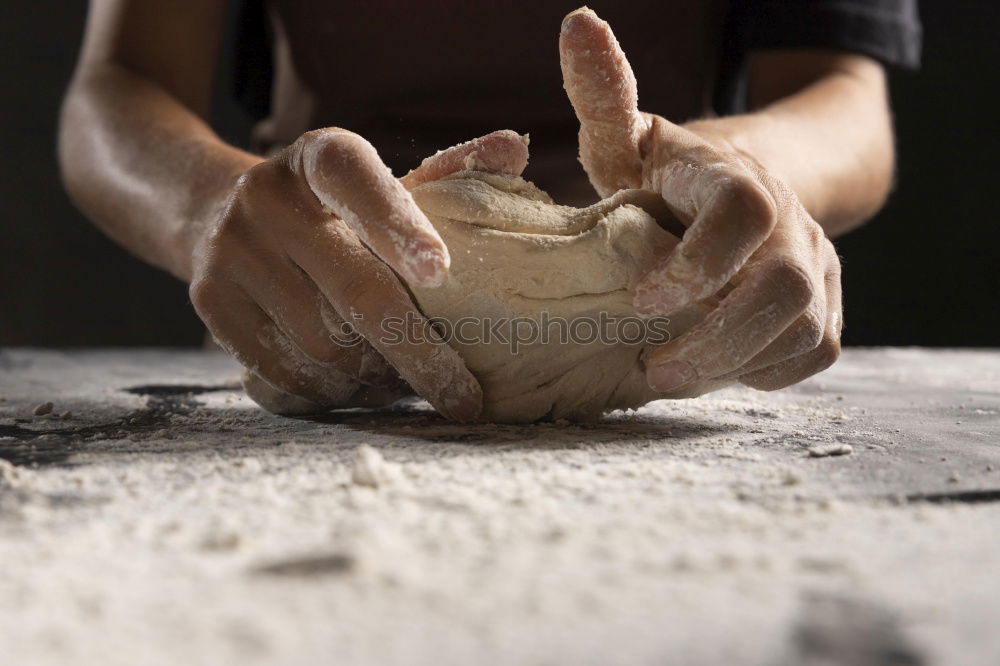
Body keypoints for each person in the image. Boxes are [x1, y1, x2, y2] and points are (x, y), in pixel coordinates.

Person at [58, 1, 921, 420]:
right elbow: (119, 84)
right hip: (320, 287)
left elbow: (841, 91)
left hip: (666, 297)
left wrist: (746, 170)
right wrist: (210, 204)